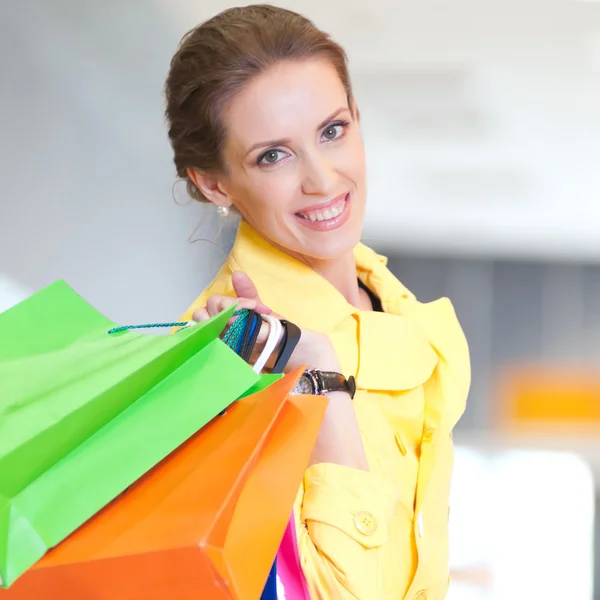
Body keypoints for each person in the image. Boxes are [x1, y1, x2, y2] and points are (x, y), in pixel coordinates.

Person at [164, 5, 470, 599]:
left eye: (333, 131)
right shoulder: (220, 363)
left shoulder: (389, 301)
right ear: (214, 182)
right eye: (273, 155)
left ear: (358, 118)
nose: (324, 180)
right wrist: (322, 391)